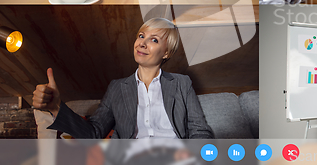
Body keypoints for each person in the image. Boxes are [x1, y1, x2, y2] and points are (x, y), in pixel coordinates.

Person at [32, 18, 214, 139]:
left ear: (166, 52)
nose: (142, 43)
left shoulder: (182, 83)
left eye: (154, 40)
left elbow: (200, 130)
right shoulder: (117, 87)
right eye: (141, 36)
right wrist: (56, 108)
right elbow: (94, 133)